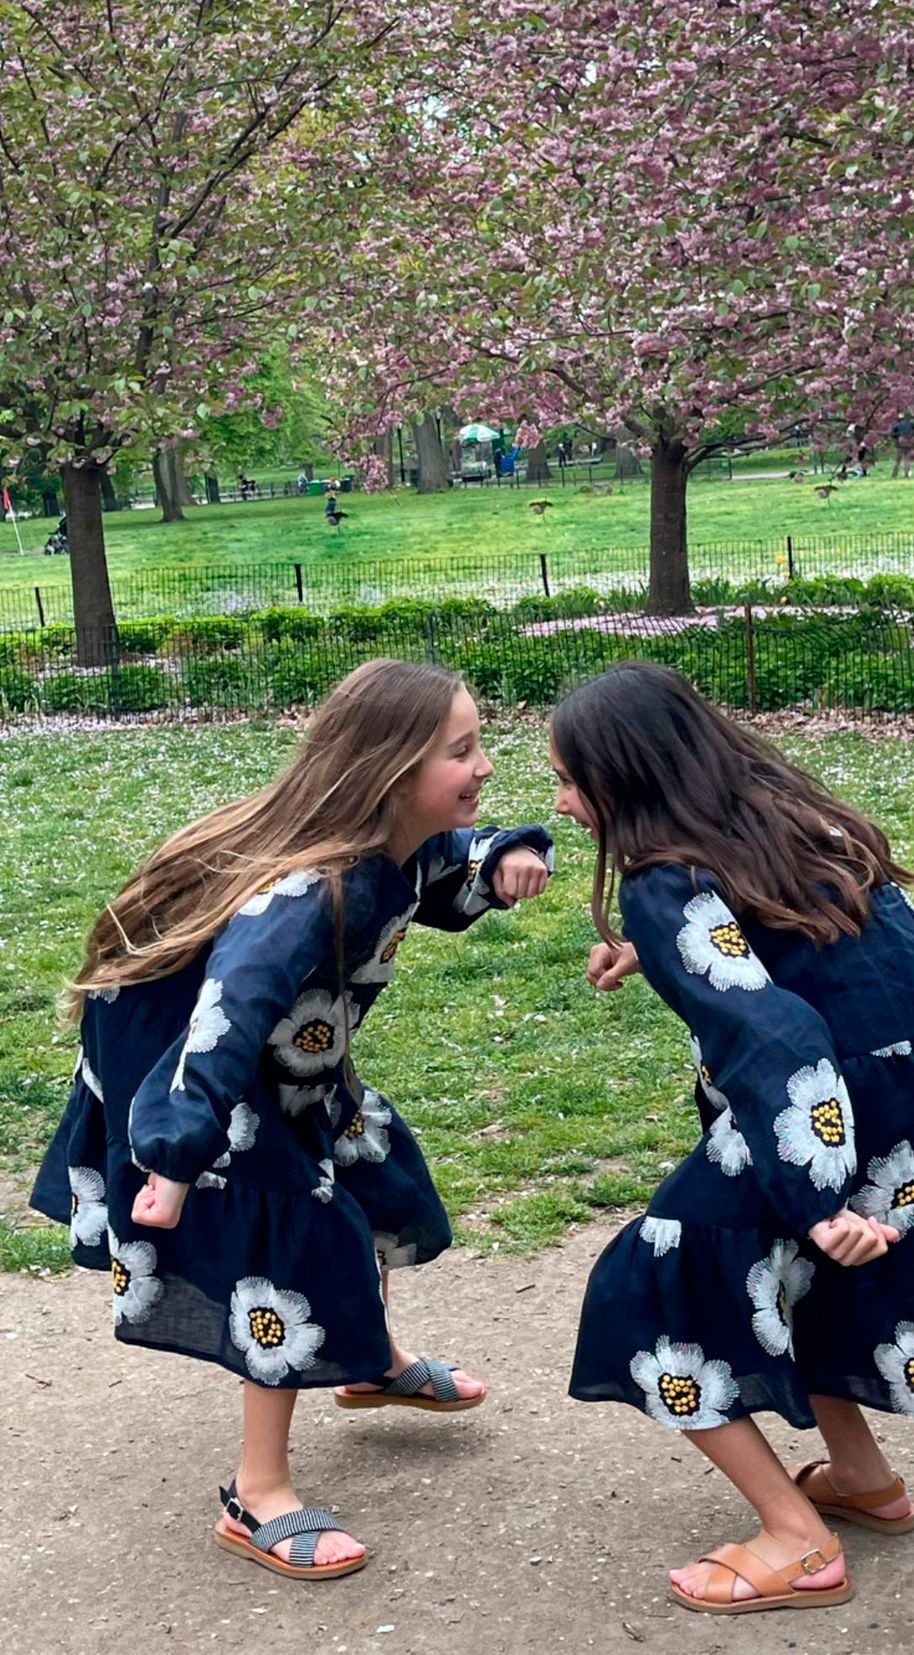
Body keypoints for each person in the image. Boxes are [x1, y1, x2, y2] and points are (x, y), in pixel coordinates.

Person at [548, 661, 914, 1618]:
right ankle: (864, 1478)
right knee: (799, 1283)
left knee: (652, 1286)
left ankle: (797, 1541)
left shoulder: (666, 883)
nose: (563, 803)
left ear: (624, 781)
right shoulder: (786, 813)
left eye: (570, 781)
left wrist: (819, 1195)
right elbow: (807, 947)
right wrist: (659, 956)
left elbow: (776, 1034)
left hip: (817, 1117)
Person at [31, 661, 552, 1582]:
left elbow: (440, 872)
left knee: (371, 1180)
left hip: (285, 1065)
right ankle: (256, 1493)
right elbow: (229, 1010)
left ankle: (369, 1361)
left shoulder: (398, 847)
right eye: (462, 751)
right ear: (391, 771)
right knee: (289, 1249)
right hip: (195, 1075)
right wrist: (179, 1156)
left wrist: (505, 851)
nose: (484, 765)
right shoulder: (311, 894)